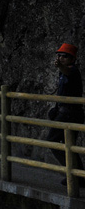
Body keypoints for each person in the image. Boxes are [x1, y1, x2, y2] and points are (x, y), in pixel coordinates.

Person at [47, 42, 84, 179]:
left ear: (72, 59)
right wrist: (56, 108)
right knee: (70, 147)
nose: (61, 58)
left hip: (71, 114)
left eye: (65, 56)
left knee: (52, 141)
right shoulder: (62, 73)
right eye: (59, 56)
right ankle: (78, 176)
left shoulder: (73, 71)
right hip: (65, 112)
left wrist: (61, 66)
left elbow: (67, 71)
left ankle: (73, 175)